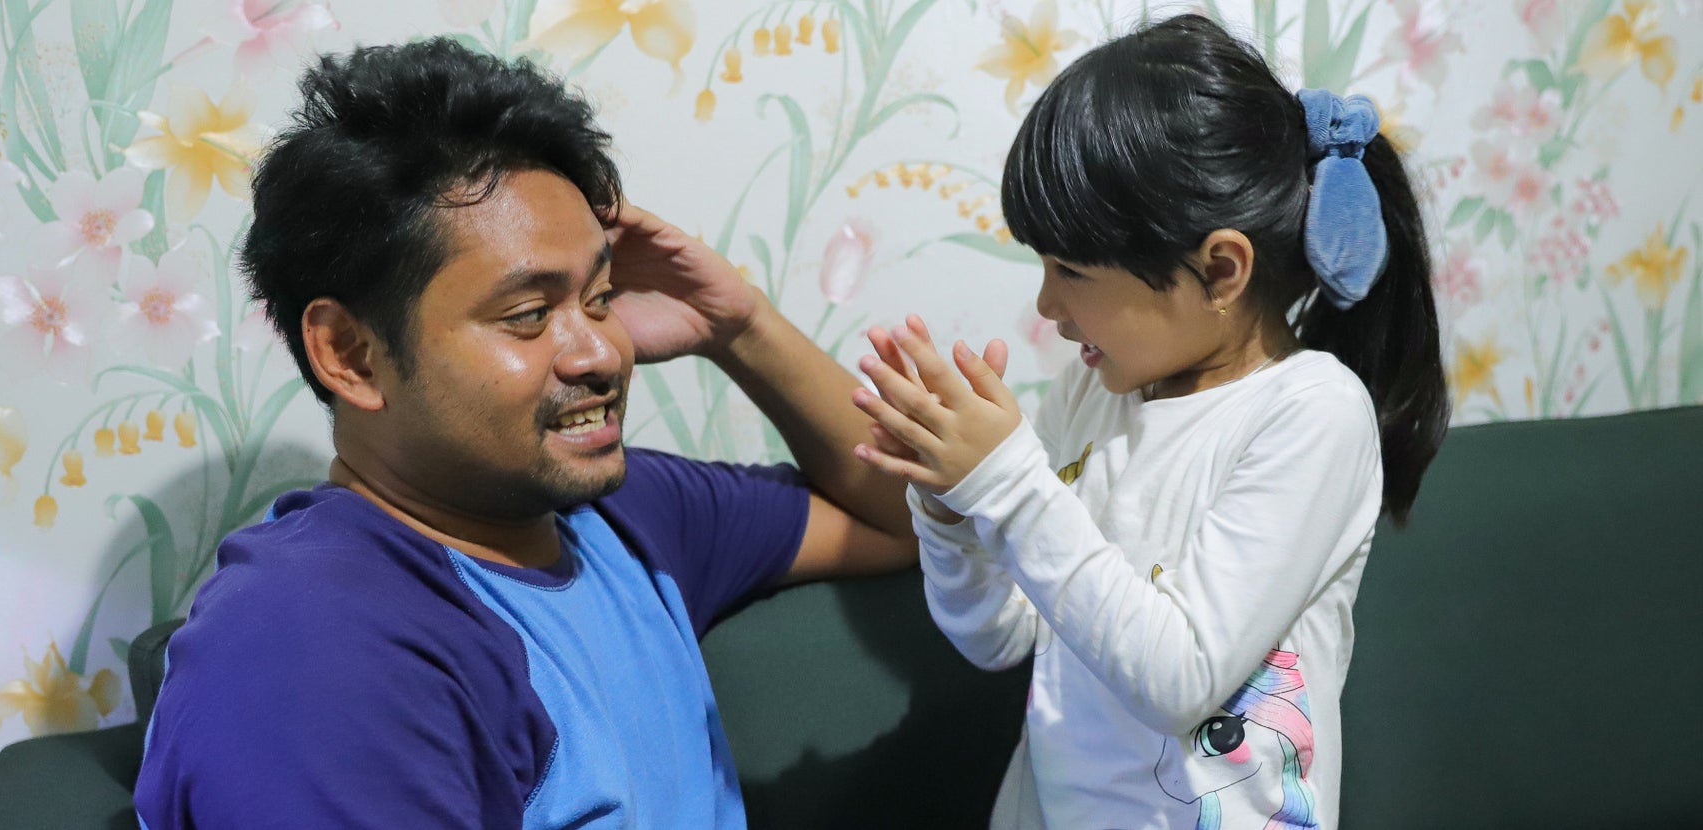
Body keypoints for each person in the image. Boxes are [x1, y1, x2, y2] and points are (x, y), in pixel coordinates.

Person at [133, 38, 926, 829]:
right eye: (529, 315)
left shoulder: (622, 516)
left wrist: (740, 325)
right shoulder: (313, 653)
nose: (600, 352)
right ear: (352, 355)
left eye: (602, 297)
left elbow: (907, 518)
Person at [846, 14, 1449, 830]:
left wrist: (1011, 486)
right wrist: (953, 510)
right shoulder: (1092, 394)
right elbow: (997, 640)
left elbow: (1180, 677)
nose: (1048, 305)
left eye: (1072, 270)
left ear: (1220, 270)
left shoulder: (1311, 412)